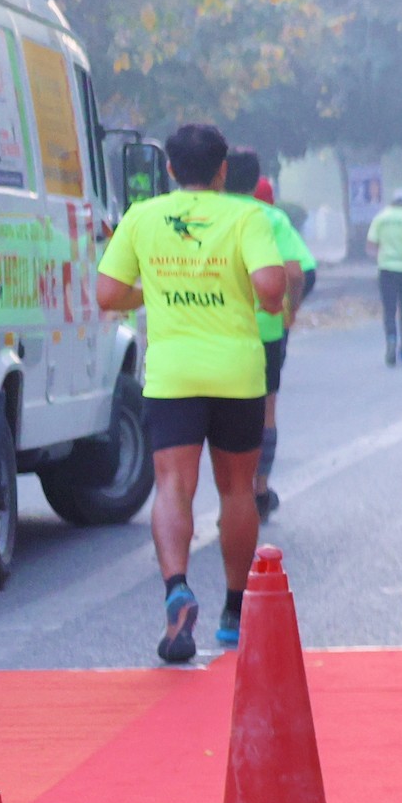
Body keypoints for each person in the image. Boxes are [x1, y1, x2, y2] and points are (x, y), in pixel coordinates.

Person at [94, 122, 288, 661]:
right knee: (237, 491)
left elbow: (107, 293)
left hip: (173, 375)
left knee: (173, 487)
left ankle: (176, 589)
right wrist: (264, 300)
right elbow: (271, 289)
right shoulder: (246, 216)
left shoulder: (142, 216)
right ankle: (233, 612)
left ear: (171, 169)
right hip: (236, 374)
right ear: (223, 170)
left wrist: (153, 291)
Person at [224, 153, 316, 517]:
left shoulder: (204, 215)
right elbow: (295, 273)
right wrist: (289, 309)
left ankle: (230, 495)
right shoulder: (271, 218)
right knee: (265, 410)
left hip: (212, 329)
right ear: (256, 181)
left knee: (222, 413)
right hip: (264, 330)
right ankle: (259, 490)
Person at [369, 191, 402, 365]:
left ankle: (391, 338)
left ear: (392, 203)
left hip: (387, 269)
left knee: (389, 309)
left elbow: (371, 244)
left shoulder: (381, 218)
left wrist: (380, 256)